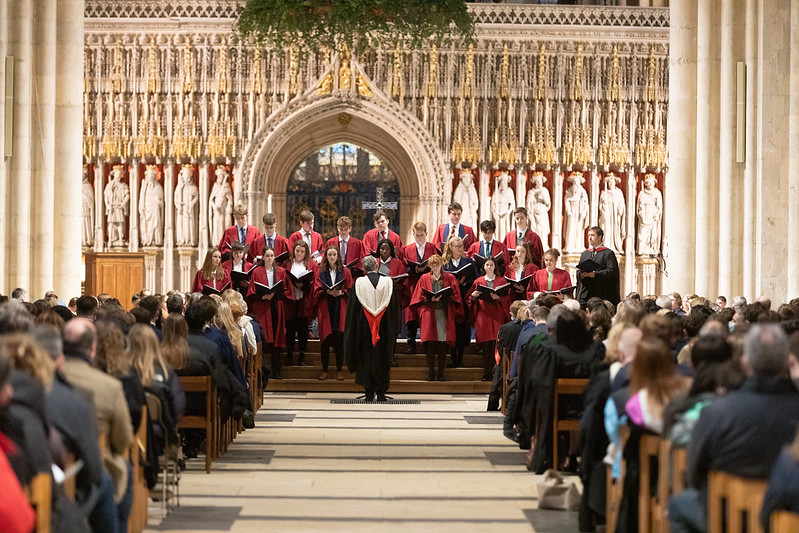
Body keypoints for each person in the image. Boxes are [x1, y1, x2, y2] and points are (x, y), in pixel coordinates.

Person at [668, 324, 799, 533]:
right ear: (787, 362)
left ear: (745, 363)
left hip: (723, 517)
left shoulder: (718, 412)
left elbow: (694, 472)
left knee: (678, 504)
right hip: (783, 518)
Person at [344, 256, 399, 401]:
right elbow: (394, 310)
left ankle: (369, 393)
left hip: (364, 328)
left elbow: (352, 312)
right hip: (384, 327)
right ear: (377, 266)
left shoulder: (358, 284)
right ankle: (381, 393)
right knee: (382, 357)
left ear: (363, 268)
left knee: (366, 357)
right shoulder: (389, 283)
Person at [409, 254, 463, 381]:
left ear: (441, 264)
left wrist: (445, 297)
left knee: (442, 344)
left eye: (437, 264)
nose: (435, 266)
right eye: (432, 264)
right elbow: (418, 296)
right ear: (429, 266)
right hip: (429, 313)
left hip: (444, 313)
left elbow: (456, 296)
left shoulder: (450, 278)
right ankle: (431, 372)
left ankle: (441, 373)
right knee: (431, 344)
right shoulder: (424, 278)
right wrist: (429, 299)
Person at [247, 248, 294, 380]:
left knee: (276, 342)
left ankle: (277, 371)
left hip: (276, 308)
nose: (269, 258)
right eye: (267, 256)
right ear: (263, 257)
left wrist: (276, 293)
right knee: (264, 340)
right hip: (263, 309)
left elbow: (287, 290)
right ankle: (262, 372)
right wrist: (263, 297)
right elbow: (251, 292)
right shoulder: (256, 272)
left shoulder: (281, 271)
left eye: (272, 256)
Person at [468, 257, 511, 380]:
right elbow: (470, 299)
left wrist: (498, 298)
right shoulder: (479, 281)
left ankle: (495, 374)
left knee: (495, 346)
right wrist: (473, 297)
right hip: (483, 315)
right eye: (487, 265)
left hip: (496, 315)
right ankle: (486, 373)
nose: (490, 267)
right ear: (484, 267)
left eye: (492, 265)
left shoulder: (502, 281)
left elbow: (507, 299)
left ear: (495, 267)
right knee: (485, 347)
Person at [314, 246, 353, 380]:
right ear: (326, 256)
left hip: (339, 307)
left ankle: (339, 370)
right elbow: (316, 288)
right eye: (329, 255)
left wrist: (341, 292)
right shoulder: (321, 272)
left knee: (339, 340)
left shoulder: (345, 271)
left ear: (338, 256)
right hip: (326, 307)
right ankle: (324, 370)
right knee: (325, 341)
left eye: (334, 254)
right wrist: (326, 291)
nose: (332, 257)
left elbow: (350, 288)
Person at [401, 222, 439, 353]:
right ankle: (410, 344)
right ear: (413, 234)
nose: (419, 238)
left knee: (427, 313)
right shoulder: (407, 249)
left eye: (422, 235)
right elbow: (403, 266)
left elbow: (437, 264)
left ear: (426, 234)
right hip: (412, 284)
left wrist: (426, 267)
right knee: (411, 315)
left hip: (427, 285)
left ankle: (428, 343)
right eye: (417, 235)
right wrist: (414, 268)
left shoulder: (432, 248)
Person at [442, 236, 476, 368]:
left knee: (462, 327)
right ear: (451, 247)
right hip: (450, 299)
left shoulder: (468, 262)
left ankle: (460, 357)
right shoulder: (445, 263)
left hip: (464, 296)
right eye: (458, 246)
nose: (461, 249)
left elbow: (476, 279)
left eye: (462, 246)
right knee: (451, 328)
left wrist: (464, 282)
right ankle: (452, 356)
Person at [285, 240, 319, 367]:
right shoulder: (288, 264)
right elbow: (284, 279)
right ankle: (289, 356)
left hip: (304, 300)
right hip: (291, 301)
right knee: (290, 329)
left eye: (302, 252)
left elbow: (315, 281)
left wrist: (304, 285)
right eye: (297, 251)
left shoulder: (311, 264)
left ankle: (301, 357)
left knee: (303, 330)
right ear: (293, 251)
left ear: (306, 253)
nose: (299, 254)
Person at [575, 226, 620, 307]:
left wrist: (595, 274)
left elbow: (612, 271)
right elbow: (579, 270)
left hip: (601, 292)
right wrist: (581, 274)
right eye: (588, 235)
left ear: (600, 237)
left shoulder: (608, 253)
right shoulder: (585, 254)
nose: (589, 238)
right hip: (586, 293)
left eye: (592, 235)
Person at [208, 166, 233, 244]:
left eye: (221, 176)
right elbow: (211, 199)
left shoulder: (226, 187)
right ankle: (216, 241)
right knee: (217, 226)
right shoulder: (215, 186)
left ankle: (224, 242)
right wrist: (214, 206)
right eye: (218, 176)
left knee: (224, 225)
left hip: (224, 211)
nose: (219, 177)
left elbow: (230, 199)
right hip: (217, 211)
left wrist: (229, 207)